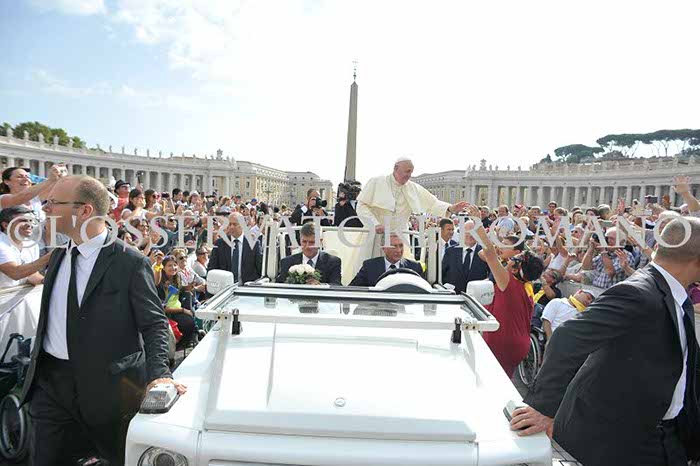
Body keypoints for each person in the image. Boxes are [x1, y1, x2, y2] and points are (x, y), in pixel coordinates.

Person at [21, 175, 185, 465]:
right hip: (51, 386)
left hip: (108, 391)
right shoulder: (58, 256)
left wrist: (160, 373)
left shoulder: (130, 263)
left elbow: (153, 324)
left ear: (84, 211)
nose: (45, 208)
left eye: (54, 202)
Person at [514, 217, 700, 466]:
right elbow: (566, 338)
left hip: (663, 435)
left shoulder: (678, 298)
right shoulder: (639, 293)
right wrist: (543, 409)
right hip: (617, 439)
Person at [465, 204, 545, 378]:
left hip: (503, 340)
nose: (511, 259)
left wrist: (478, 223)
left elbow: (489, 254)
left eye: (515, 259)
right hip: (518, 341)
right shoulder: (525, 284)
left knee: (490, 381)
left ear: (516, 268)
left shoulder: (509, 282)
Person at [356, 157, 468, 235]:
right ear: (396, 168)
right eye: (407, 171)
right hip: (375, 234)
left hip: (400, 237)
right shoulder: (376, 182)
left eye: (411, 172)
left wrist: (451, 208)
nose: (409, 175)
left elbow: (432, 203)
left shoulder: (412, 188)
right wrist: (374, 224)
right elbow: (362, 206)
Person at [276, 222, 342, 285]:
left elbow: (336, 285)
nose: (307, 246)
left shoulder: (332, 262)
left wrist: (320, 285)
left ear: (320, 242)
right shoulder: (286, 262)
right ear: (300, 240)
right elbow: (279, 286)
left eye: (312, 242)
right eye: (304, 242)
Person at [0, 206, 49, 287]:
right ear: (5, 225)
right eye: (23, 221)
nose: (30, 224)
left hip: (20, 294)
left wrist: (48, 282)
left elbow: (31, 275)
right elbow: (15, 273)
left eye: (31, 220)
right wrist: (50, 256)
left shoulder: (32, 245)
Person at [207, 212, 262, 284]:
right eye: (229, 224)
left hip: (247, 287)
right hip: (225, 287)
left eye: (235, 224)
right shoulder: (220, 244)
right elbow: (212, 268)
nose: (231, 227)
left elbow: (260, 268)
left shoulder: (254, 243)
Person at [349, 233, 424, 287]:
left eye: (401, 246)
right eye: (394, 246)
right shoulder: (369, 266)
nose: (398, 250)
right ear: (384, 248)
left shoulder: (414, 267)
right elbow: (353, 289)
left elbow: (424, 292)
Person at [157, 255, 196, 345]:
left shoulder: (177, 279)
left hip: (178, 309)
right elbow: (162, 308)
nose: (173, 268)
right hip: (168, 312)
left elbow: (180, 292)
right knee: (187, 323)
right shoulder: (160, 284)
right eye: (169, 265)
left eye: (175, 265)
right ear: (164, 268)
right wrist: (183, 310)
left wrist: (188, 288)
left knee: (192, 318)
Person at [441, 220, 488, 294]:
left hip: (476, 298)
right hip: (453, 297)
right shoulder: (450, 252)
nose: (470, 235)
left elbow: (491, 277)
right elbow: (441, 274)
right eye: (467, 232)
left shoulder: (485, 253)